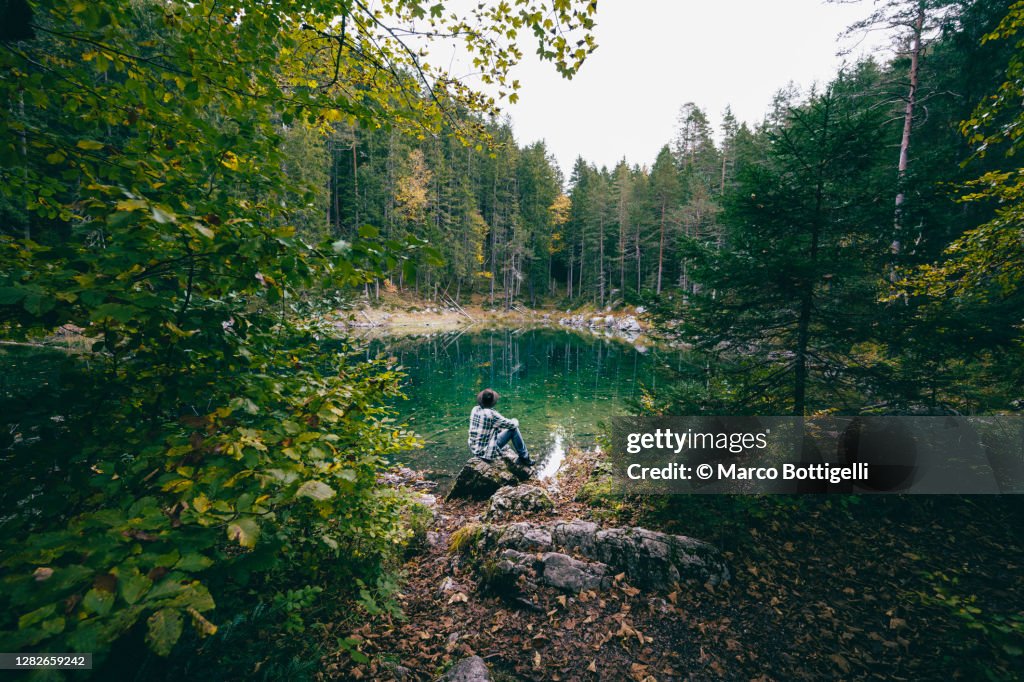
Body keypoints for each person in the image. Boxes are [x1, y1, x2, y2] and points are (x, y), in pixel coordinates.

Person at [468, 388, 533, 465]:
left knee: (500, 427)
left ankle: (504, 449)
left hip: (475, 448)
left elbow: (497, 424)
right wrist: (515, 420)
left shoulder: (475, 409)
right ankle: (524, 458)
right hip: (485, 452)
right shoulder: (492, 415)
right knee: (514, 430)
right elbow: (513, 425)